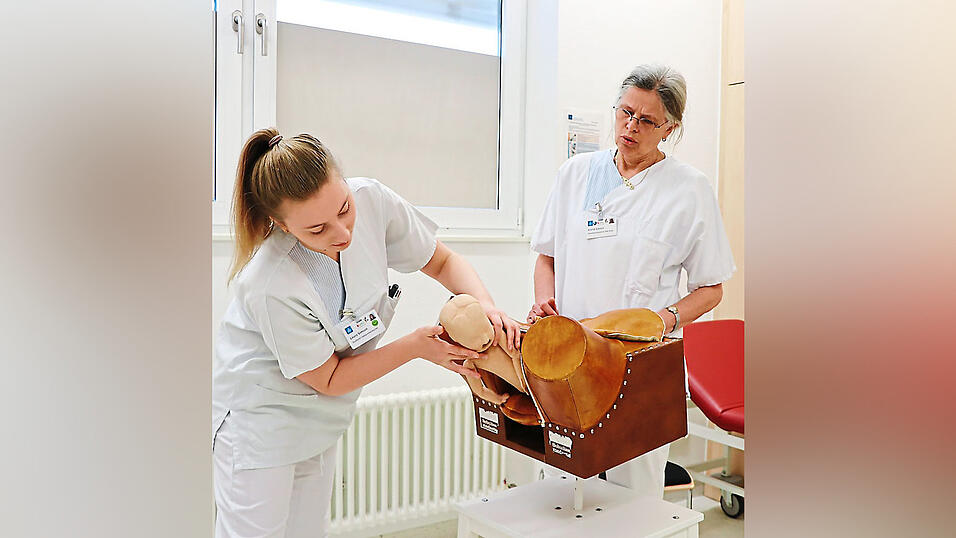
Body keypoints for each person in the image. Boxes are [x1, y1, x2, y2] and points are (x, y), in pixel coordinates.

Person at [213, 128, 521, 538]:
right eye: (317, 230)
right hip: (259, 420)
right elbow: (329, 377)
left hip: (320, 417)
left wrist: (485, 303)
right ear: (281, 225)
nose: (342, 234)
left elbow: (442, 261)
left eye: (344, 208)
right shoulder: (270, 282)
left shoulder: (372, 199)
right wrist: (415, 347)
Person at [528, 64, 736, 499]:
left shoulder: (689, 189)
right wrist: (544, 301)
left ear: (669, 128)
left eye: (646, 120)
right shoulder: (576, 174)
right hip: (570, 354)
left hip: (639, 363)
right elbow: (547, 257)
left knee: (635, 495)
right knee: (562, 484)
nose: (630, 127)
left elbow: (711, 288)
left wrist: (665, 318)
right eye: (625, 113)